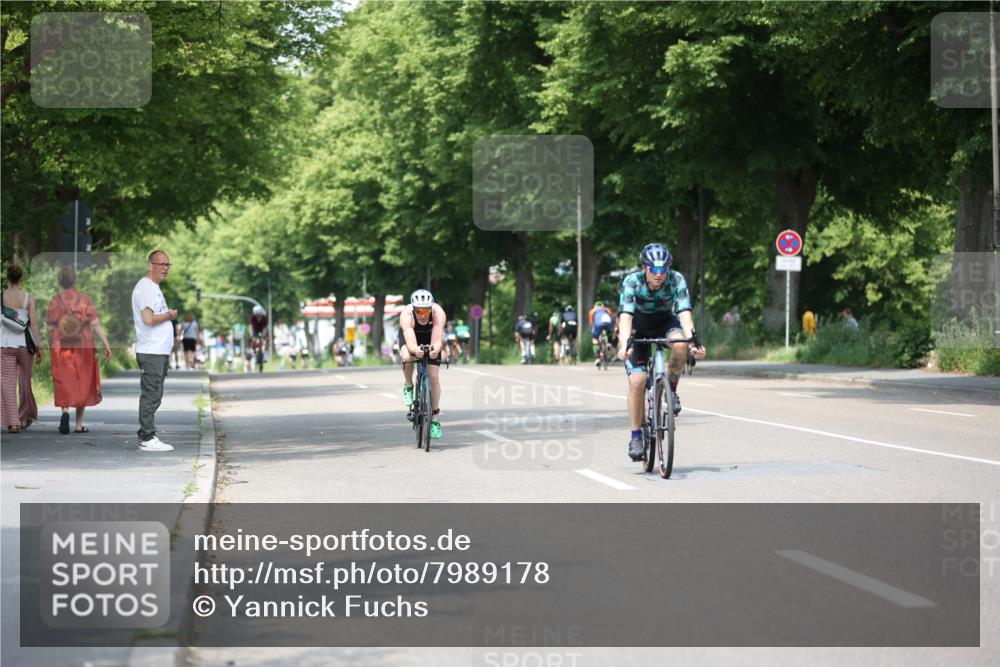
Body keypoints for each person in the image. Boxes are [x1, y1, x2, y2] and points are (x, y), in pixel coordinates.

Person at [617, 243, 707, 461]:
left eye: (663, 270)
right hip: (637, 327)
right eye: (653, 270)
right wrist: (623, 345)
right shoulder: (632, 282)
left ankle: (672, 391)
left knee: (680, 344)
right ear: (644, 268)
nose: (659, 275)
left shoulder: (676, 280)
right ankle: (636, 436)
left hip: (665, 322)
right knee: (638, 381)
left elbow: (684, 313)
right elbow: (626, 317)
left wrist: (693, 341)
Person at [45, 266, 112, 434]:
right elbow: (95, 324)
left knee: (63, 379)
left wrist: (49, 344)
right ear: (74, 280)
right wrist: (106, 344)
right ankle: (78, 425)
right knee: (82, 381)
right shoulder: (85, 299)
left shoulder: (55, 300)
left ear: (60, 282)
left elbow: (50, 327)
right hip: (84, 345)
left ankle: (65, 411)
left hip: (61, 345)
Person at [131, 249, 178, 452]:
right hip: (152, 352)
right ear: (151, 265)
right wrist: (169, 315)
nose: (165, 268)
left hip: (158, 351)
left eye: (168, 265)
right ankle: (147, 437)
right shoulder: (147, 288)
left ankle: (147, 435)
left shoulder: (152, 287)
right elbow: (148, 320)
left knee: (155, 394)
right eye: (161, 264)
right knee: (151, 394)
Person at [398, 289, 446, 439]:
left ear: (431, 308)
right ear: (413, 308)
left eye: (426, 311)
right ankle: (408, 385)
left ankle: (435, 418)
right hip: (412, 336)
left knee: (433, 376)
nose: (423, 314)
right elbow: (411, 342)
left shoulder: (438, 313)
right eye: (419, 310)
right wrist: (415, 350)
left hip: (431, 336)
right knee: (407, 356)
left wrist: (435, 349)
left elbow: (437, 339)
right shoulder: (406, 315)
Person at [1, 264, 41, 433]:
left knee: (6, 382)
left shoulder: (1, 296)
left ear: (7, 278)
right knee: (25, 381)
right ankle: (23, 417)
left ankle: (13, 422)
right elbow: (34, 323)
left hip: (4, 344)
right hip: (24, 344)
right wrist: (38, 347)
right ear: (21, 278)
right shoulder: (28, 297)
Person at [589, 300, 615, 366]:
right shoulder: (607, 309)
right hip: (608, 323)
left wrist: (592, 330)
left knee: (595, 339)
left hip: (598, 324)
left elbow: (591, 323)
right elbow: (612, 318)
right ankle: (609, 343)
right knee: (609, 333)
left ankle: (597, 358)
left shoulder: (592, 311)